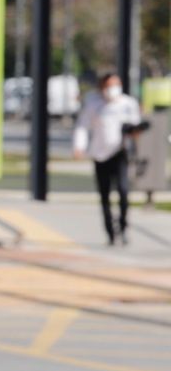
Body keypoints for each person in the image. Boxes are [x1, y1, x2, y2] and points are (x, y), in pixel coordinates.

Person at [73, 72, 143, 246]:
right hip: (100, 155)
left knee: (123, 191)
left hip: (120, 153)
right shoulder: (94, 104)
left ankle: (123, 228)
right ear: (102, 87)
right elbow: (82, 126)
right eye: (109, 86)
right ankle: (110, 232)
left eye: (116, 85)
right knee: (105, 195)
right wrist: (79, 146)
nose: (113, 89)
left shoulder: (128, 104)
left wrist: (134, 132)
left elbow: (135, 127)